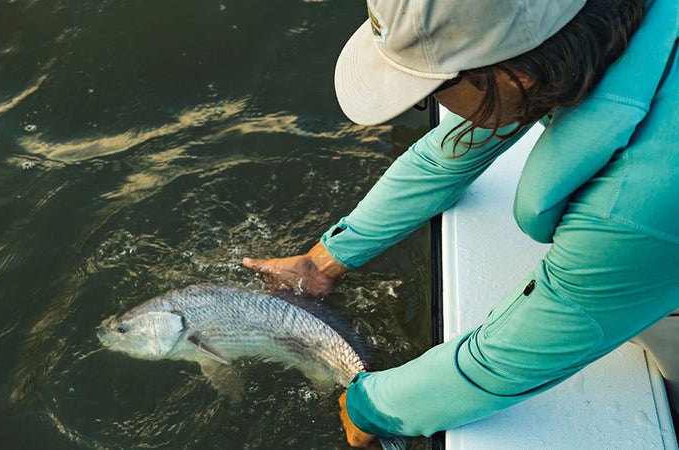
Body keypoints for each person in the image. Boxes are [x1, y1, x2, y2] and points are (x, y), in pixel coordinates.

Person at [243, 0, 679, 446]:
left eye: (429, 90)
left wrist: (371, 407)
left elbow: (507, 360)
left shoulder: (635, 200)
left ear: (515, 77)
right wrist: (321, 264)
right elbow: (447, 155)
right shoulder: (575, 37)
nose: (430, 104)